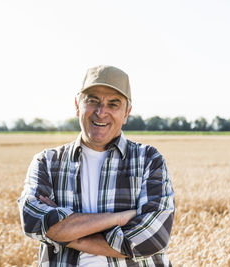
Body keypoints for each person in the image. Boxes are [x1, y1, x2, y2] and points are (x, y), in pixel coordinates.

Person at [18, 65, 175, 267]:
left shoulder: (148, 160)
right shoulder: (47, 163)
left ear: (127, 113)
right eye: (93, 101)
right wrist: (119, 218)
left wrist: (68, 234)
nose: (101, 112)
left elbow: (152, 239)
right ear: (77, 105)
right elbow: (33, 223)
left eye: (113, 104)